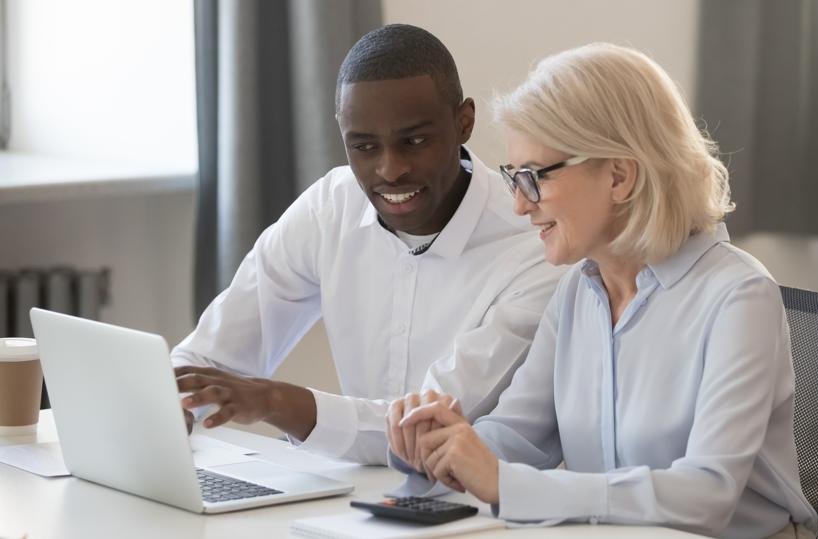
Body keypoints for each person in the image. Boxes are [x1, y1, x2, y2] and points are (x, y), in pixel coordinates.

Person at [388, 43, 818, 539]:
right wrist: (441, 449)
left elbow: (708, 495)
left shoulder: (739, 297)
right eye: (514, 178)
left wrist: (505, 482)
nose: (519, 206)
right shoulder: (579, 288)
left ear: (619, 176)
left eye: (532, 178)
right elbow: (518, 434)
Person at [171, 24, 564, 465]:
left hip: (474, 510)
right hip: (352, 496)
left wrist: (275, 401)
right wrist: (168, 404)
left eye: (413, 141)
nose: (389, 170)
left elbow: (430, 425)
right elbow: (210, 357)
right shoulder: (331, 207)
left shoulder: (533, 245)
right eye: (363, 146)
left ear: (463, 122)